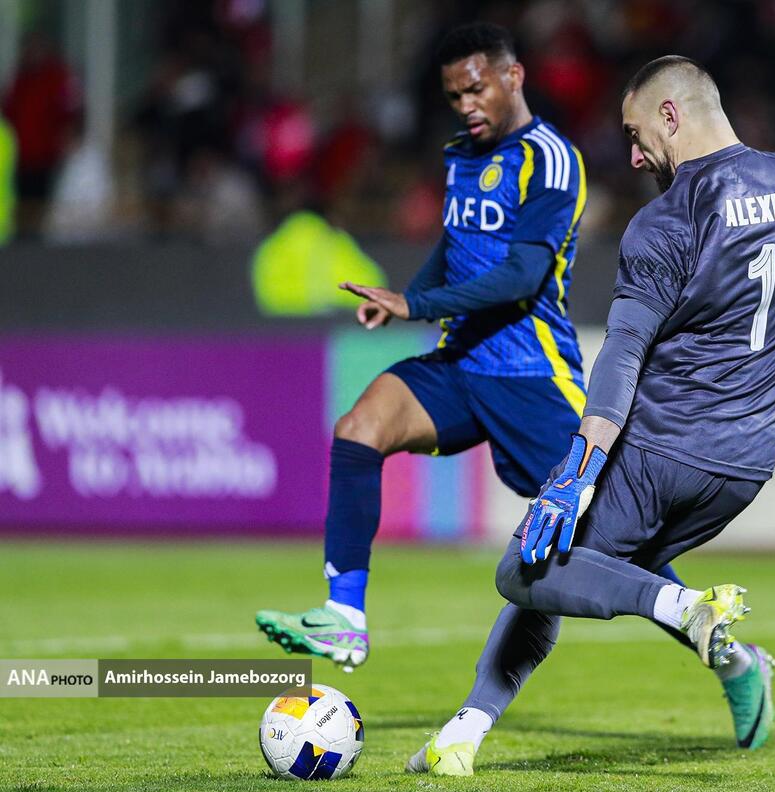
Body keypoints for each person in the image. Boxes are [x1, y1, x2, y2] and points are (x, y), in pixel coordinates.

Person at [408, 55, 775, 776]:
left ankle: (684, 610)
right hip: (743, 469)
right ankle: (466, 734)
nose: (635, 157)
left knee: (525, 568)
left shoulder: (667, 221)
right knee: (581, 567)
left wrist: (579, 470)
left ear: (670, 115)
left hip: (659, 452)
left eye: (636, 135)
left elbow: (623, 353)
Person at [254, 25, 693, 673]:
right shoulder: (462, 155)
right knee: (358, 429)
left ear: (513, 77)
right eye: (455, 95)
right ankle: (345, 619)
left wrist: (418, 306)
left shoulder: (550, 160)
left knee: (616, 535)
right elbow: (454, 245)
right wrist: (405, 296)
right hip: (461, 364)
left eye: (476, 88)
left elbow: (521, 277)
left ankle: (721, 643)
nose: (466, 105)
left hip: (529, 374)